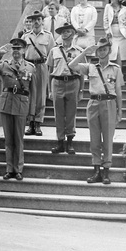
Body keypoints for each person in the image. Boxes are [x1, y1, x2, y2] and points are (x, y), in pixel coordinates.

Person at [68, 38, 124, 185]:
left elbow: (118, 91)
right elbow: (72, 65)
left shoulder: (115, 69)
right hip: (93, 103)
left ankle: (106, 171)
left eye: (104, 49)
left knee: (107, 139)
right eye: (99, 49)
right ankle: (96, 171)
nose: (101, 52)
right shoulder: (90, 67)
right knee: (94, 140)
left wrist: (120, 111)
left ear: (109, 51)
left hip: (109, 103)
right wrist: (85, 52)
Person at [0, 38, 36, 180]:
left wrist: (32, 112)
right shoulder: (4, 65)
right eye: (14, 49)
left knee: (18, 138)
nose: (16, 51)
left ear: (24, 50)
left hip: (21, 104)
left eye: (19, 49)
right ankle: (9, 169)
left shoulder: (30, 67)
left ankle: (18, 169)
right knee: (8, 139)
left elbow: (33, 91)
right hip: (7, 104)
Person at [46, 23, 86, 154]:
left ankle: (70, 142)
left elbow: (82, 73)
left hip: (73, 82)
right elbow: (50, 71)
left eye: (67, 31)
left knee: (71, 113)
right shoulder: (54, 51)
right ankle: (60, 142)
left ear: (73, 34)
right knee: (58, 114)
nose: (64, 34)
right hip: (57, 82)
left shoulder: (79, 51)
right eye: (62, 32)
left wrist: (81, 91)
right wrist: (49, 90)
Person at [22, 10, 55, 136]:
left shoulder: (48, 36)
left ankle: (38, 123)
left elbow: (52, 54)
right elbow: (22, 54)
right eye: (33, 20)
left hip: (42, 66)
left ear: (42, 21)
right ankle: (30, 123)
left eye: (38, 20)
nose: (36, 22)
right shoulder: (25, 37)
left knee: (41, 95)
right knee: (29, 95)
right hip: (29, 66)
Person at [103, 0, 126, 66]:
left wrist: (125, 28)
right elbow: (105, 20)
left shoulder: (124, 9)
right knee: (113, 55)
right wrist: (107, 31)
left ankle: (119, 74)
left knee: (120, 56)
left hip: (122, 35)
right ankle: (113, 73)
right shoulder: (108, 7)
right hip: (112, 35)